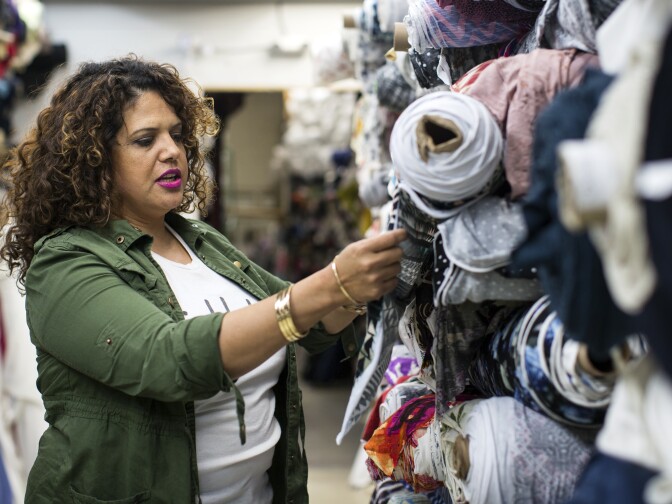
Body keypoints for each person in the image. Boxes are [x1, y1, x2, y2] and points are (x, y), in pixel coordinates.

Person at [0, 54, 406, 504]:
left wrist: (358, 287)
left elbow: (305, 325)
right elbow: (169, 360)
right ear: (94, 161)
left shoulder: (199, 240)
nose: (171, 150)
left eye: (176, 134)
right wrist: (331, 283)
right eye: (144, 139)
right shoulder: (65, 262)